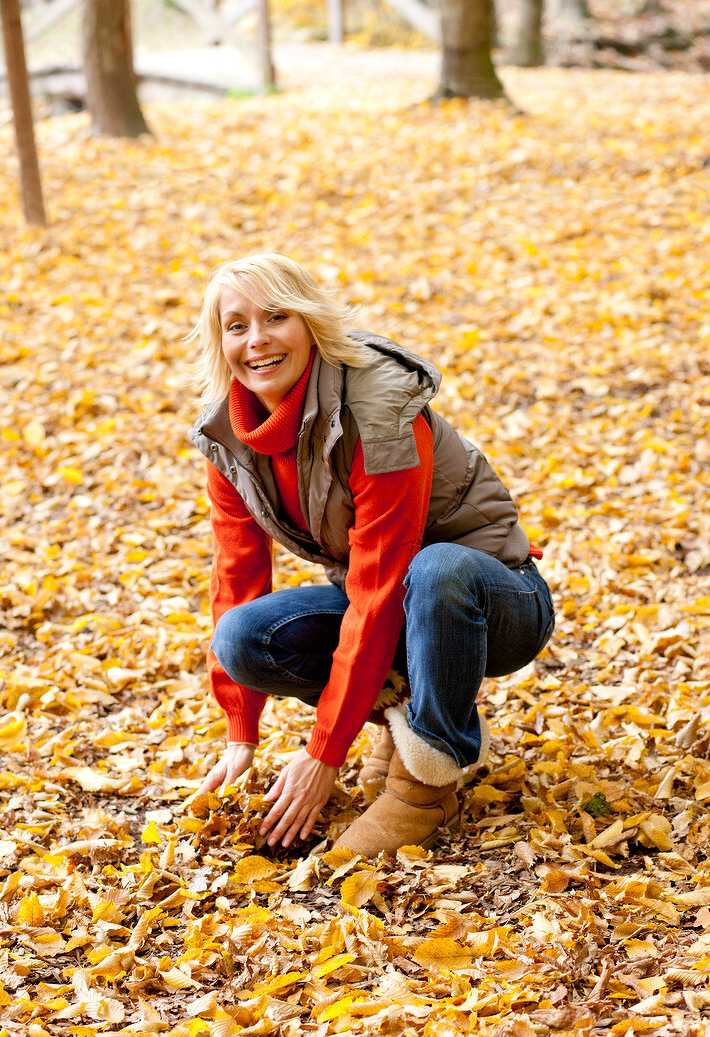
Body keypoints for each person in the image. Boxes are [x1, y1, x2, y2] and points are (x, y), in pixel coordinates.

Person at [188, 253, 554, 858]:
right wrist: (240, 730)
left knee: (435, 568)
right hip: (392, 597)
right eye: (236, 325)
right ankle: (411, 714)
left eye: (276, 316)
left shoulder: (378, 411)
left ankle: (425, 787)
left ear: (310, 323)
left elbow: (385, 578)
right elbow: (238, 573)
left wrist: (323, 751)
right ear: (218, 340)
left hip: (496, 602)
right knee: (244, 636)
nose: (256, 340)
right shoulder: (230, 434)